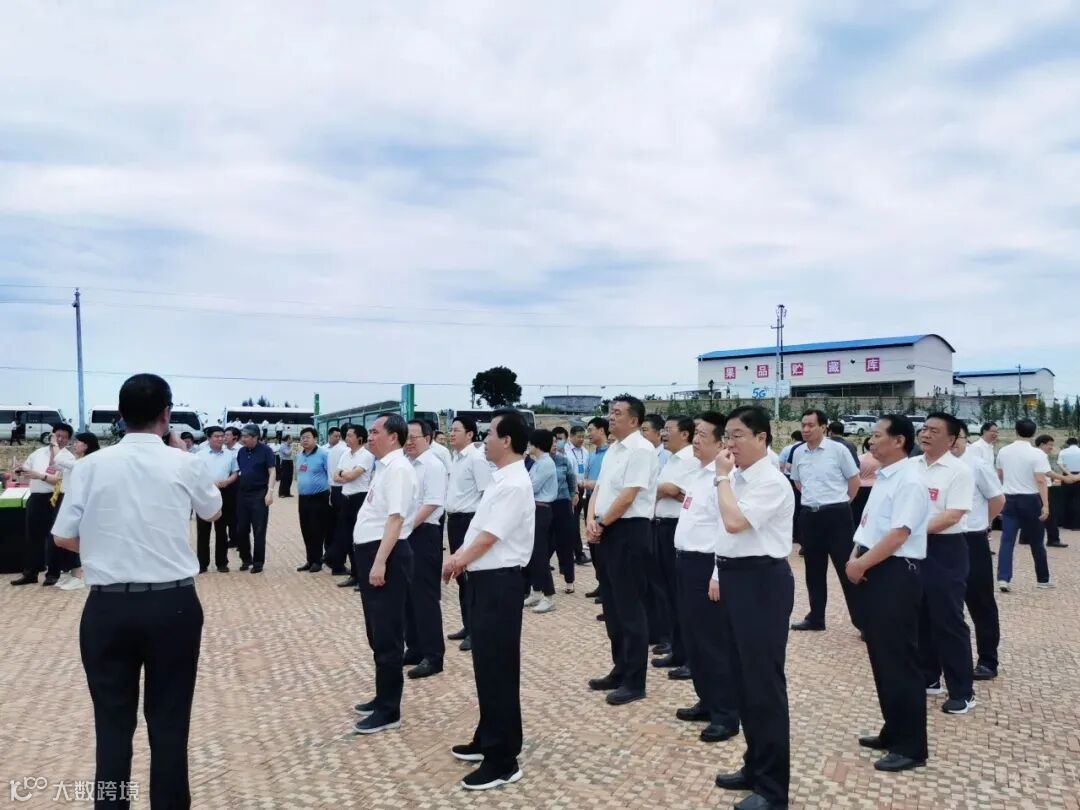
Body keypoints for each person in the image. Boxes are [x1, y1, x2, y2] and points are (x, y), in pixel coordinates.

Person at [52, 373, 222, 808]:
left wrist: (107, 548)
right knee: (170, 723)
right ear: (167, 414)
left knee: (111, 725)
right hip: (172, 605)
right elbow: (213, 510)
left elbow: (63, 536)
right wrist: (182, 451)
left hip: (108, 607)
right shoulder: (184, 462)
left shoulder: (90, 466)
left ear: (119, 415)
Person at [441, 408, 534, 791]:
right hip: (485, 582)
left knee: (498, 668)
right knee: (487, 666)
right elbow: (479, 529)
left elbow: (489, 536)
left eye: (490, 434)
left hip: (499, 584)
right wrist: (460, 558)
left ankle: (503, 759)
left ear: (507, 440)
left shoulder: (514, 484)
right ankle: (488, 736)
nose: (485, 441)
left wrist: (457, 561)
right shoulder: (501, 479)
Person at [710, 406, 795, 809]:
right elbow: (724, 535)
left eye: (738, 435)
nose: (730, 444)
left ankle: (773, 790)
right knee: (743, 681)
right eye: (727, 436)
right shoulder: (739, 478)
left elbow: (734, 522)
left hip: (762, 582)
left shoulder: (771, 481)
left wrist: (721, 478)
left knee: (763, 685)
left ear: (762, 438)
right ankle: (755, 766)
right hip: (735, 578)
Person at [846, 415, 929, 773]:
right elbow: (869, 527)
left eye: (878, 435)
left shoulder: (910, 480)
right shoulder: (885, 476)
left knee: (899, 661)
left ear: (899, 441)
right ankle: (893, 728)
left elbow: (899, 534)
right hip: (873, 568)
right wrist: (855, 556)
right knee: (882, 658)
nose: (871, 440)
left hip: (894, 572)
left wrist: (862, 564)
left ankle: (911, 746)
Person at [671, 411, 740, 745]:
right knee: (694, 638)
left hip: (706, 566)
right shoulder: (697, 474)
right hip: (685, 563)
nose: (695, 440)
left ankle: (726, 715)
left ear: (720, 442)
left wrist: (717, 574)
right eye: (694, 434)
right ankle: (707, 700)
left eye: (701, 435)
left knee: (713, 643)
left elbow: (726, 530)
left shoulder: (724, 479)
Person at [586, 396, 659, 706]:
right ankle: (620, 668)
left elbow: (629, 496)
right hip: (607, 529)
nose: (611, 418)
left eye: (617, 413)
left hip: (630, 531)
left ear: (634, 420)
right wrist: (591, 520)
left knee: (630, 608)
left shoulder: (641, 450)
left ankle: (635, 681)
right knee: (613, 607)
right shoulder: (614, 450)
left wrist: (602, 522)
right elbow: (600, 489)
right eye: (610, 412)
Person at [351, 413, 417, 734]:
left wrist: (379, 562)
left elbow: (396, 519)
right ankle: (382, 697)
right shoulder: (385, 468)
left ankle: (389, 710)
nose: (370, 436)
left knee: (388, 634)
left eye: (376, 431)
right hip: (374, 553)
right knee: (376, 631)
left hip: (386, 554)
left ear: (393, 437)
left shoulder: (399, 469)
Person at [913, 413, 976, 715]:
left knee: (948, 620)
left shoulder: (959, 471)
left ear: (951, 439)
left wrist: (909, 530)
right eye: (924, 428)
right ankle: (929, 677)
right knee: (920, 614)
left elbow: (953, 515)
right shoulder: (911, 466)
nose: (926, 434)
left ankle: (962, 691)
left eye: (934, 431)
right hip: (913, 548)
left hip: (945, 549)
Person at [790, 409, 861, 632]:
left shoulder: (838, 450)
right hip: (810, 515)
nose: (805, 429)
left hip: (837, 515)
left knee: (846, 568)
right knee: (813, 569)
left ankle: (863, 622)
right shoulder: (798, 452)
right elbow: (798, 483)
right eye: (803, 425)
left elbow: (854, 480)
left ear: (823, 427)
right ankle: (816, 618)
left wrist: (842, 503)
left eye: (810, 425)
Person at [952, 424, 1005, 681]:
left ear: (965, 438)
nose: (953, 443)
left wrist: (983, 524)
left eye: (958, 437)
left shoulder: (977, 464)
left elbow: (998, 499)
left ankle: (987, 659)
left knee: (980, 600)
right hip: (941, 540)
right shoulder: (930, 464)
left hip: (972, 539)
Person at [402, 419, 448, 679]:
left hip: (423, 533)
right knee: (407, 596)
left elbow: (432, 503)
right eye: (406, 437)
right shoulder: (406, 464)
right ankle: (415, 648)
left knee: (424, 597)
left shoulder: (433, 465)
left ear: (428, 439)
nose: (408, 442)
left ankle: (433, 656)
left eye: (414, 437)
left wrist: (407, 526)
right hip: (405, 533)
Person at [651, 416, 696, 671]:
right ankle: (676, 649)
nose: (664, 434)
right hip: (662, 526)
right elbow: (663, 489)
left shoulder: (690, 460)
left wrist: (667, 489)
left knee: (680, 593)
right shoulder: (671, 459)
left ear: (685, 434)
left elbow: (673, 492)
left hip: (677, 526)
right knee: (667, 591)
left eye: (669, 429)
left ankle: (689, 654)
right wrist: (666, 489)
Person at [445, 416, 493, 651]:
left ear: (470, 434)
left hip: (469, 520)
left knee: (471, 577)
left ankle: (477, 631)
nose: (451, 433)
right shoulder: (456, 458)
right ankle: (467, 624)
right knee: (460, 576)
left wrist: (478, 526)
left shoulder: (476, 459)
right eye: (451, 430)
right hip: (455, 520)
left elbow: (486, 495)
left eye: (456, 430)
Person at [10, 423, 75, 586]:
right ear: (52, 436)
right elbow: (27, 472)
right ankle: (30, 573)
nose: (60, 439)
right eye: (57, 436)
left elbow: (59, 481)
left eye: (64, 437)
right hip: (36, 498)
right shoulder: (38, 453)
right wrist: (20, 469)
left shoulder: (67, 458)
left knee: (53, 537)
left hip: (55, 498)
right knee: (32, 536)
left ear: (69, 440)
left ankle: (53, 573)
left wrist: (39, 475)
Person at [995, 419, 1052, 590]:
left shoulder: (1004, 451)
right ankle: (1042, 579)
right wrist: (1045, 504)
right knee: (1037, 540)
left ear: (1016, 431)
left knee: (1007, 540)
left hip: (1009, 498)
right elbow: (1041, 480)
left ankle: (1003, 578)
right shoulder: (1037, 454)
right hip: (1030, 499)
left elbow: (1000, 474)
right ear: (1034, 433)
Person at [40, 431, 100, 590]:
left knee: (72, 535)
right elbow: (55, 463)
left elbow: (59, 459)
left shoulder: (86, 462)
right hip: (65, 498)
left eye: (77, 442)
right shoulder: (77, 460)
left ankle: (78, 575)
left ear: (86, 446)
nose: (74, 445)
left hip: (76, 501)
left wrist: (54, 442)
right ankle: (72, 573)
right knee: (63, 535)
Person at [330, 425, 374, 587]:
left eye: (350, 435)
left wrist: (345, 474)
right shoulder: (345, 454)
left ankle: (364, 577)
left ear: (360, 438)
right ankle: (355, 575)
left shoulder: (366, 455)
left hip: (360, 499)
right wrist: (345, 474)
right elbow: (336, 476)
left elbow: (352, 475)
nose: (346, 438)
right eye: (346, 435)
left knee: (361, 539)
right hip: (345, 498)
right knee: (347, 538)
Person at [235, 424, 277, 574]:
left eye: (246, 436)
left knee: (259, 529)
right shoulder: (241, 451)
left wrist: (270, 492)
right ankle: (246, 559)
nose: (243, 439)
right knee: (241, 529)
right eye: (242, 436)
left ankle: (258, 562)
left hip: (259, 494)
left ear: (255, 437)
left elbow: (272, 471)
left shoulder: (266, 451)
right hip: (242, 494)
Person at [524, 429, 558, 613]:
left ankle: (549, 596)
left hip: (541, 509)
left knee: (539, 553)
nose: (528, 446)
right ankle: (536, 591)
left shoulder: (545, 463)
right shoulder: (538, 462)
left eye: (530, 443)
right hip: (533, 508)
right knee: (532, 552)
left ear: (537, 445)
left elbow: (531, 486)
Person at [196, 427, 238, 574]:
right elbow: (195, 474)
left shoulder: (230, 455)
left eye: (222, 436)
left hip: (223, 493)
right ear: (208, 438)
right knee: (203, 530)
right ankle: (202, 564)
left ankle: (222, 563)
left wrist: (228, 481)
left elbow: (235, 472)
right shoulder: (199, 455)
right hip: (204, 494)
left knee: (221, 530)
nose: (220, 439)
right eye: (216, 436)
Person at [582, 417, 609, 605]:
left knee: (602, 548)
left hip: (604, 504)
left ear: (601, 430)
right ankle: (601, 583)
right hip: (590, 501)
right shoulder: (592, 455)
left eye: (591, 429)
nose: (588, 434)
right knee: (593, 546)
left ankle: (607, 587)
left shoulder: (611, 454)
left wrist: (592, 484)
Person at [296, 427, 331, 573]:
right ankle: (310, 560)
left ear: (315, 439)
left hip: (319, 497)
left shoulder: (324, 454)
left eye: (308, 437)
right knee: (306, 529)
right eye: (302, 437)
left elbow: (330, 475)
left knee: (317, 529)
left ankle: (317, 561)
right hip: (303, 498)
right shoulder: (299, 455)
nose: (304, 440)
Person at [549, 427, 579, 594]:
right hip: (546, 505)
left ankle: (569, 579)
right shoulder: (538, 462)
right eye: (552, 442)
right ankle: (539, 581)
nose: (555, 444)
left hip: (562, 504)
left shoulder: (563, 461)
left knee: (566, 543)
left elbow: (571, 478)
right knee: (546, 544)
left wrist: (574, 494)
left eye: (556, 441)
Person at [1035, 435, 1072, 548]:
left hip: (1035, 489)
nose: (1051, 447)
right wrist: (1065, 478)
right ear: (1042, 444)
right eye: (1049, 445)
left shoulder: (1034, 454)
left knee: (1034, 514)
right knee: (1050, 515)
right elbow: (1048, 472)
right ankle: (1053, 539)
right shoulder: (1040, 455)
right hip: (1043, 488)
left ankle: (1025, 537)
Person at [565, 425, 591, 564]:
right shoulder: (565, 451)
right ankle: (578, 553)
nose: (581, 439)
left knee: (574, 522)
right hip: (569, 490)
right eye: (579, 436)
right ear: (571, 436)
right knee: (573, 522)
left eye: (583, 437)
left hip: (582, 489)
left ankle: (576, 553)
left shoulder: (585, 452)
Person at [324, 426, 348, 563]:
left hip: (333, 490)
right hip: (342, 490)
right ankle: (337, 559)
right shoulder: (345, 451)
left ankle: (330, 554)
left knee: (333, 525)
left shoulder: (333, 450)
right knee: (342, 526)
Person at [222, 427, 242, 549]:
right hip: (226, 483)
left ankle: (240, 540)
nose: (224, 437)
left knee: (237, 512)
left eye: (227, 435)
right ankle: (233, 538)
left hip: (238, 482)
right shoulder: (223, 450)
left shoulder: (241, 450)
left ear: (235, 437)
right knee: (228, 512)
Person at [853, 438, 879, 527]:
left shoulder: (860, 458)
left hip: (860, 487)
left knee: (858, 512)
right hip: (874, 487)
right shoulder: (879, 459)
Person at [1057, 437, 1080, 530]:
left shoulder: (1063, 452)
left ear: (1067, 444)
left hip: (1066, 476)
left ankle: (1067, 524)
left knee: (1067, 500)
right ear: (1077, 443)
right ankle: (1077, 524)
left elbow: (1060, 464)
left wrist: (1069, 474)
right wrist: (1077, 475)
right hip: (1079, 475)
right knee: (1078, 500)